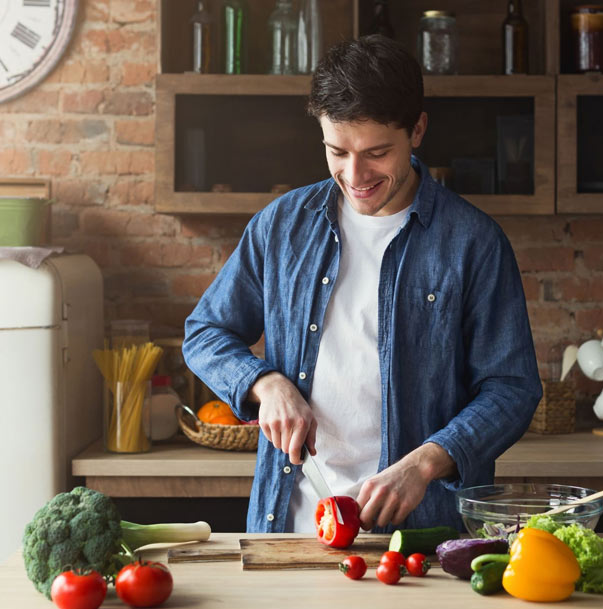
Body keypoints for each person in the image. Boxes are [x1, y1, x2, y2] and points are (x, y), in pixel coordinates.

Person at [183, 35, 541, 534]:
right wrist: (266, 384)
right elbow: (205, 333)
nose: (355, 176)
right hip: (291, 528)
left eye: (376, 153)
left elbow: (512, 389)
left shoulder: (474, 242)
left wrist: (424, 464)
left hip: (421, 533)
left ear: (417, 130)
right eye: (337, 151)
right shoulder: (281, 225)